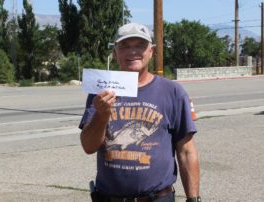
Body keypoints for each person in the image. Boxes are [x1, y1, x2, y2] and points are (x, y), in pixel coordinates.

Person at [79, 22, 201, 202]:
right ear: (115, 52)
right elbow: (88, 147)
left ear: (151, 51)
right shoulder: (101, 91)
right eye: (125, 46)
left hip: (158, 198)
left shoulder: (173, 92)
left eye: (140, 46)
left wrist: (193, 199)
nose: (133, 52)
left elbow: (186, 151)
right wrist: (101, 115)